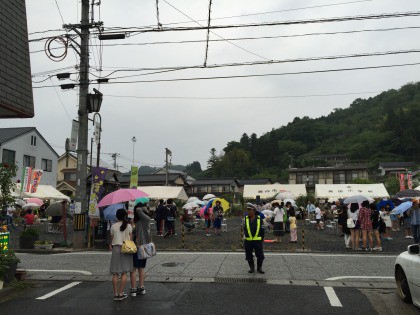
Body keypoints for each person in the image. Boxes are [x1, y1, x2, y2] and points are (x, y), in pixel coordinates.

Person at [110, 208, 133, 301]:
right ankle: (121, 293)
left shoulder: (113, 226)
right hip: (126, 248)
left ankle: (115, 294)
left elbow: (112, 239)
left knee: (115, 273)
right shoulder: (128, 226)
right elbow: (130, 240)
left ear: (116, 216)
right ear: (125, 216)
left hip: (116, 248)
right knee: (124, 272)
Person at [130, 203, 150, 297]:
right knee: (141, 268)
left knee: (133, 268)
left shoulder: (140, 220)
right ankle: (141, 287)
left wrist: (137, 208)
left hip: (136, 246)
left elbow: (138, 210)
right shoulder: (144, 220)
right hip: (142, 246)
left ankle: (134, 289)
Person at [243, 203, 265, 274]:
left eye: (250, 210)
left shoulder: (259, 219)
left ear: (254, 211)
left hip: (257, 240)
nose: (248, 212)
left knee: (260, 255)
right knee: (248, 255)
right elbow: (244, 228)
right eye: (248, 210)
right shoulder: (245, 219)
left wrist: (262, 239)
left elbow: (262, 230)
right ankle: (251, 267)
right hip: (248, 240)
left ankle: (259, 268)